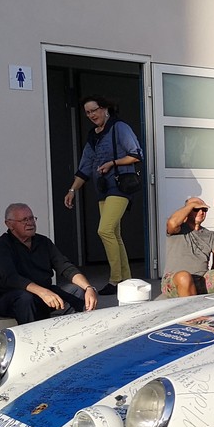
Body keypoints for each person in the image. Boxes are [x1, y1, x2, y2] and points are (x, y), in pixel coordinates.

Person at [63, 95, 143, 295]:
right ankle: (126, 279)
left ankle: (115, 280)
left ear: (105, 109)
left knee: (104, 230)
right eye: (88, 112)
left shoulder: (119, 127)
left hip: (120, 186)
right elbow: (85, 167)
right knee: (114, 233)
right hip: (103, 190)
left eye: (94, 110)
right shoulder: (93, 135)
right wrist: (72, 190)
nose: (91, 115)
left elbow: (136, 154)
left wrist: (112, 163)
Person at [0, 203, 98, 324]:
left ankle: (75, 330)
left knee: (77, 291)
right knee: (25, 298)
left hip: (42, 294)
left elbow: (65, 267)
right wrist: (43, 292)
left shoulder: (43, 242)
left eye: (31, 218)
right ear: (9, 224)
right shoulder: (2, 246)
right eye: (24, 220)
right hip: (9, 297)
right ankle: (33, 335)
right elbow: (11, 278)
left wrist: (88, 288)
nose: (30, 223)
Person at [162, 197, 214, 298]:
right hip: (176, 281)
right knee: (184, 277)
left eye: (204, 209)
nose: (201, 212)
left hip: (201, 279)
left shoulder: (209, 235)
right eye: (196, 209)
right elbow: (172, 223)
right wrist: (191, 205)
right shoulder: (178, 229)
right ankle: (192, 308)